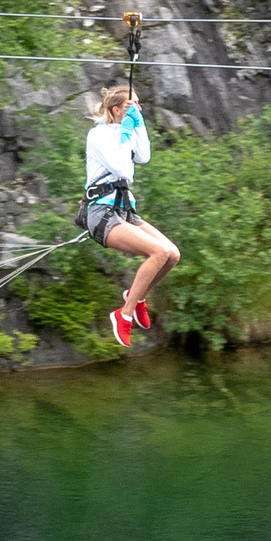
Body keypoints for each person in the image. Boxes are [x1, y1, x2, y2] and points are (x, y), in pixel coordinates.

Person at [82, 83, 179, 348]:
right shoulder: (98, 135)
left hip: (123, 211)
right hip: (102, 212)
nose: (137, 109)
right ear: (116, 109)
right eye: (131, 106)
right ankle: (123, 313)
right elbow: (123, 169)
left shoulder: (127, 128)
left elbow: (144, 157)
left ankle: (135, 297)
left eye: (139, 105)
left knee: (171, 254)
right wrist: (124, 132)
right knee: (157, 252)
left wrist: (138, 126)